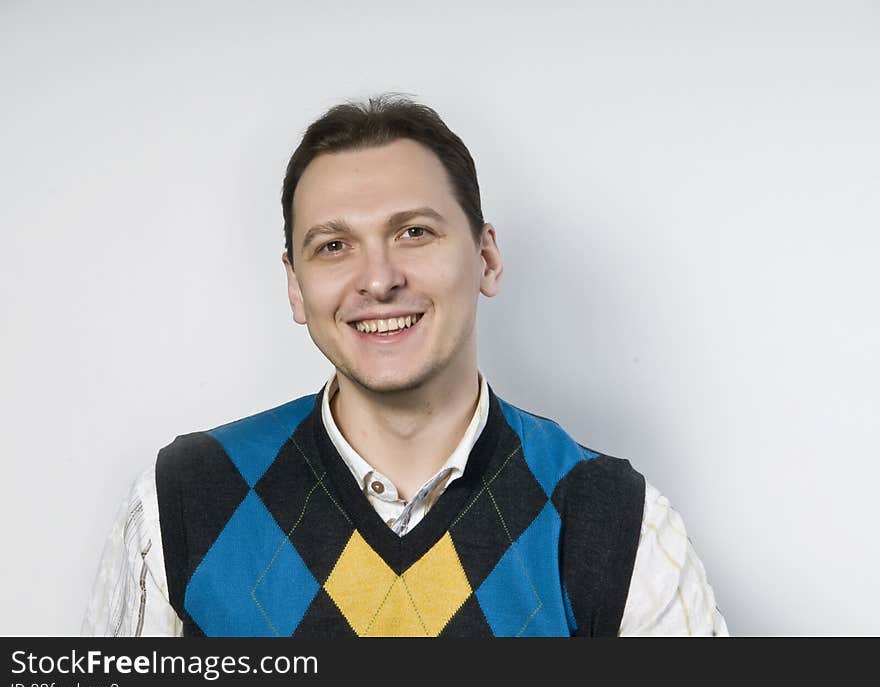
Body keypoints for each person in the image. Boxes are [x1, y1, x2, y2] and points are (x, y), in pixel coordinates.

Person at [82, 93, 728, 637]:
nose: (379, 279)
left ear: (487, 258)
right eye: (334, 246)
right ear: (295, 287)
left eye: (413, 232)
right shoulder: (183, 503)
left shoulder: (608, 516)